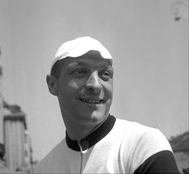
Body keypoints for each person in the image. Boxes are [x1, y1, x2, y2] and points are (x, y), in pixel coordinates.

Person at [33, 36, 180, 174]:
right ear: (52, 84)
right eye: (80, 71)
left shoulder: (143, 146)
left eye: (105, 74)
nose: (95, 85)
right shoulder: (43, 169)